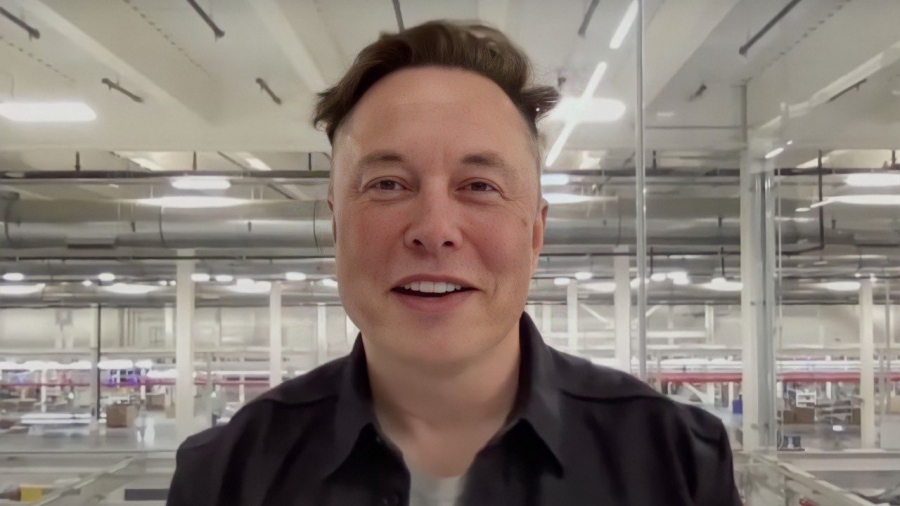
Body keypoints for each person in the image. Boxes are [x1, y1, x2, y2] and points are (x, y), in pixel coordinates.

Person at [167, 20, 742, 506]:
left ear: (535, 232)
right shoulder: (225, 477)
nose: (435, 230)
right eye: (388, 184)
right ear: (336, 225)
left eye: (480, 186)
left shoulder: (675, 463)